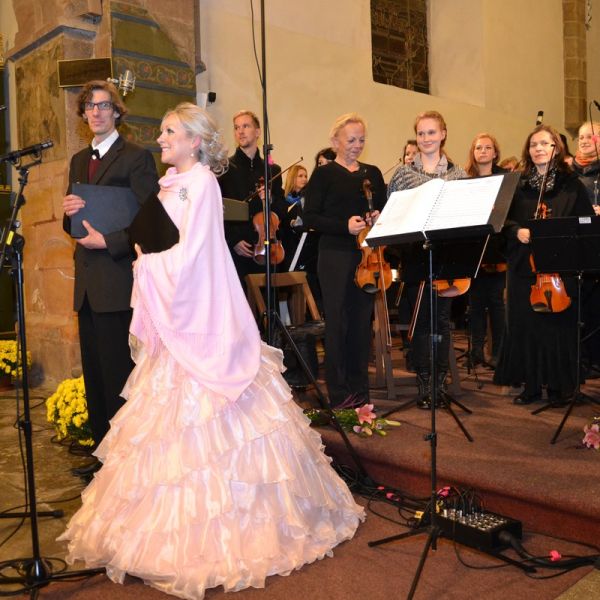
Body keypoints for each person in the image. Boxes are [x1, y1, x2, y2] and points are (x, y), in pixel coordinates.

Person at [59, 103, 364, 599]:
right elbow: (157, 238)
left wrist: (147, 265)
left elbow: (194, 253)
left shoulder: (201, 184)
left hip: (201, 312)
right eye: (162, 131)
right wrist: (130, 248)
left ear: (195, 141)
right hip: (178, 319)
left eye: (169, 132)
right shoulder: (168, 183)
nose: (161, 139)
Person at [62, 80, 158, 474]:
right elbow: (74, 223)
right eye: (89, 106)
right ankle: (103, 456)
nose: (96, 112)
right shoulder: (77, 160)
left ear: (117, 111)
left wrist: (111, 241)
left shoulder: (136, 157)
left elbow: (152, 221)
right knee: (96, 376)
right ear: (83, 114)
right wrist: (69, 213)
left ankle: (125, 461)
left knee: (120, 375)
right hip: (87, 284)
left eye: (103, 105)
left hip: (118, 281)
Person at [493, 124, 594, 405]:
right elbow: (501, 221)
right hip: (524, 268)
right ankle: (531, 386)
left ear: (556, 148)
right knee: (526, 327)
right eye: (533, 144)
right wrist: (516, 231)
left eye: (544, 144)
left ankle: (559, 386)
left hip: (560, 269)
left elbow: (584, 224)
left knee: (557, 328)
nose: (538, 148)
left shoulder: (571, 185)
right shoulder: (517, 185)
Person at [304, 113, 386, 407]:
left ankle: (360, 392)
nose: (357, 145)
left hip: (367, 258)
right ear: (335, 141)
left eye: (361, 140)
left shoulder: (372, 173)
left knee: (362, 324)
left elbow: (384, 210)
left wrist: (377, 216)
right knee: (338, 324)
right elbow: (310, 217)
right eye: (351, 140)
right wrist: (344, 226)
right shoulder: (324, 174)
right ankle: (339, 395)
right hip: (334, 256)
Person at [387, 111, 467, 408]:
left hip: (446, 258)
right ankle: (424, 384)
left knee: (441, 321)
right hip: (414, 257)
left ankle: (439, 383)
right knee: (420, 321)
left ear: (443, 134)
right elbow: (392, 214)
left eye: (431, 132)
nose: (426, 138)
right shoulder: (402, 175)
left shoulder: (459, 175)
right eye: (421, 133)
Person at [217, 110, 285, 285]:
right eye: (236, 128)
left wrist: (270, 200)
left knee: (267, 296)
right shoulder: (225, 168)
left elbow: (282, 210)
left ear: (258, 132)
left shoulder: (272, 170)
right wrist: (233, 239)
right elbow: (217, 209)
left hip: (267, 247)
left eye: (246, 126)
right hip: (239, 247)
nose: (240, 131)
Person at [464, 133, 508, 368]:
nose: (482, 151)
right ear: (473, 152)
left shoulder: (504, 179)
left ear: (495, 153)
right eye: (478, 147)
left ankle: (499, 354)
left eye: (487, 147)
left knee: (497, 305)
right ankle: (476, 352)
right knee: (476, 304)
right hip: (474, 248)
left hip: (497, 248)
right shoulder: (465, 179)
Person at [572, 121, 600, 372]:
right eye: (581, 136)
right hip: (575, 242)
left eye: (590, 136)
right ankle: (578, 358)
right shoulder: (568, 171)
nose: (583, 140)